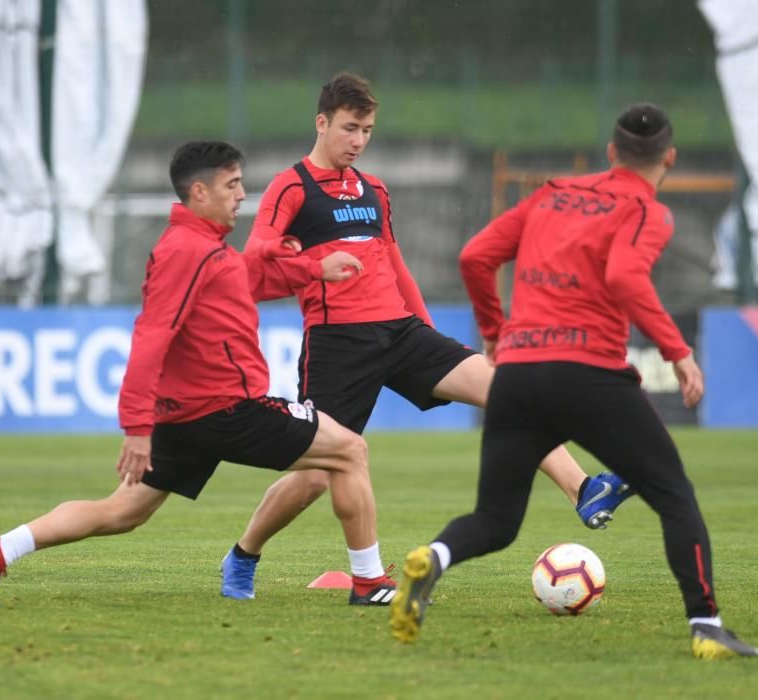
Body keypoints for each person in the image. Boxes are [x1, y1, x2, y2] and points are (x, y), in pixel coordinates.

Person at [219, 71, 634, 602]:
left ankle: (584, 489)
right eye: (349, 128)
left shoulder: (375, 190)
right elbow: (256, 255)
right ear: (321, 123)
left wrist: (427, 336)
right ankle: (244, 554)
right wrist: (315, 263)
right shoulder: (291, 186)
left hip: (402, 332)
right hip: (338, 343)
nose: (358, 140)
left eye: (367, 130)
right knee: (318, 476)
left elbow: (395, 263)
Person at [388, 104, 758, 660]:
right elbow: (624, 276)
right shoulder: (647, 212)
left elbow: (475, 256)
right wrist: (679, 353)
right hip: (588, 375)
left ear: (610, 154)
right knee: (674, 496)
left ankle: (433, 559)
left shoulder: (550, 194)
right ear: (670, 159)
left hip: (516, 372)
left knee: (494, 519)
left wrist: (494, 332)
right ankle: (706, 627)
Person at [0, 141, 398, 607]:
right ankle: (368, 582)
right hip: (227, 410)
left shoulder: (204, 249)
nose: (241, 195)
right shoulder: (187, 251)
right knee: (350, 449)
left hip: (189, 417)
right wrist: (136, 428)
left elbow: (247, 278)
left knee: (122, 511)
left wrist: (311, 268)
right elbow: (151, 337)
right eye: (232, 185)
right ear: (199, 191)